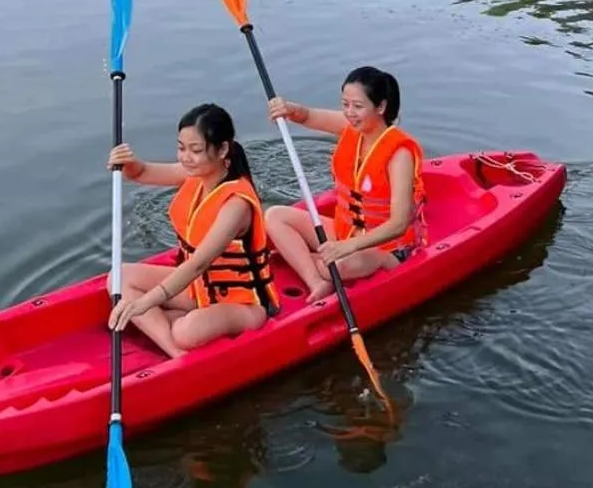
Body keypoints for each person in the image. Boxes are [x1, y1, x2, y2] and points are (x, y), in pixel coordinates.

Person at [107, 103, 276, 357]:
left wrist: (145, 303)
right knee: (120, 277)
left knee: (186, 331)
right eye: (181, 147)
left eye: (195, 150)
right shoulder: (193, 174)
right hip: (198, 289)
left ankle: (174, 330)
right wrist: (127, 163)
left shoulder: (236, 203)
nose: (186, 157)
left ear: (222, 150)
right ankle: (176, 351)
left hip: (242, 303)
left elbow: (198, 263)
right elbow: (141, 172)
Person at [265, 67, 425, 300]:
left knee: (338, 265)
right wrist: (288, 109)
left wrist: (348, 247)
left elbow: (399, 224)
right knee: (275, 216)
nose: (350, 113)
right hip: (345, 232)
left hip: (385, 246)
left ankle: (328, 261)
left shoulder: (399, 154)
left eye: (358, 106)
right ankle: (316, 281)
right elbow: (308, 116)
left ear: (380, 107)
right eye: (345, 104)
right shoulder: (352, 127)